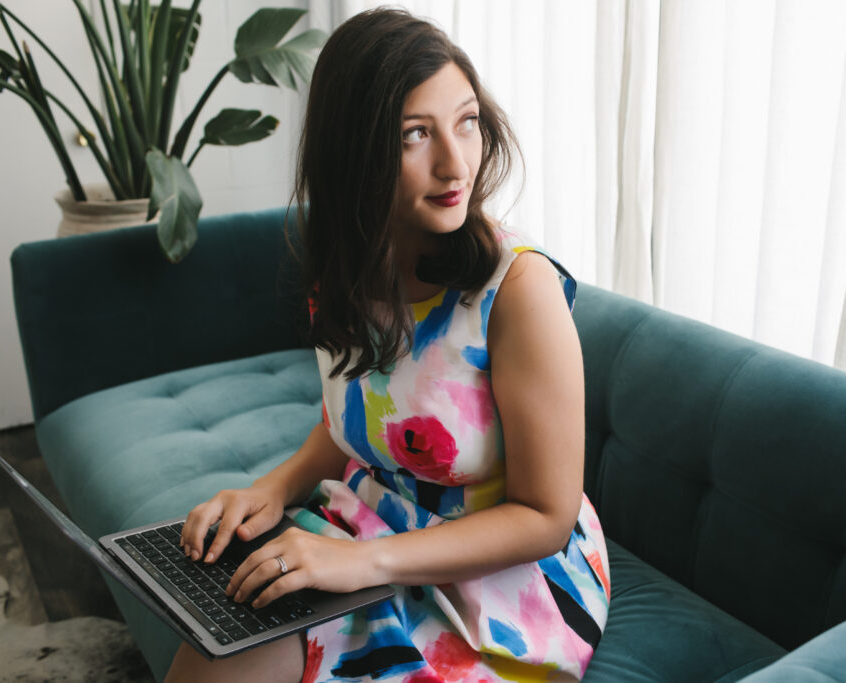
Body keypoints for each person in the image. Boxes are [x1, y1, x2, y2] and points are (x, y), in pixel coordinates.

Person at [165, 7, 609, 682]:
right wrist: (272, 487)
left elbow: (546, 516)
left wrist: (362, 562)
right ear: (357, 151)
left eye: (467, 121)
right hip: (371, 524)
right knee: (212, 655)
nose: (454, 162)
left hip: (501, 582)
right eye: (414, 135)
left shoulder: (518, 290)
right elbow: (359, 416)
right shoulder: (347, 267)